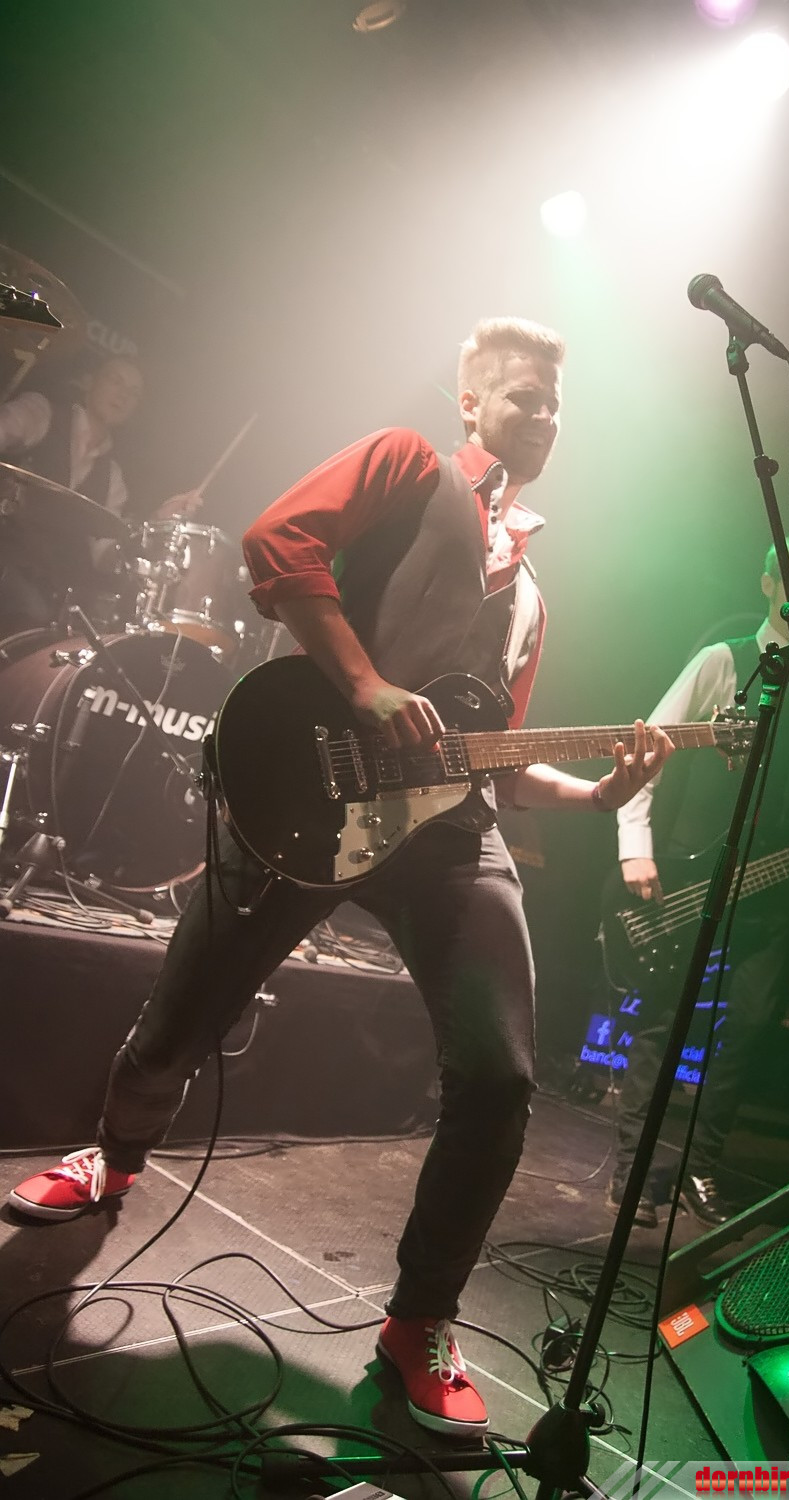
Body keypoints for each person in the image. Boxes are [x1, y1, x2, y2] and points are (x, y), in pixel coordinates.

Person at [8, 317, 671, 1436]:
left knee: (499, 1075)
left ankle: (419, 1320)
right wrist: (364, 682)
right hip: (308, 793)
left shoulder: (531, 595)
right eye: (524, 394)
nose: (544, 415)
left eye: (558, 404)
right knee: (181, 1017)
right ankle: (114, 1158)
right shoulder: (408, 463)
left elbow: (492, 758)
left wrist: (600, 796)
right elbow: (277, 541)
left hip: (447, 832)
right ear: (471, 402)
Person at [609, 533, 789, 1229]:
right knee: (663, 1020)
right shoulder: (722, 660)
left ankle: (701, 1167)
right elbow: (646, 748)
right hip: (691, 868)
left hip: (770, 884)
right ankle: (631, 1171)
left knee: (746, 1027)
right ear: (770, 584)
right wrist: (634, 845)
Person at [0, 354, 200, 632]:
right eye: (115, 380)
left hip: (50, 585)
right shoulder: (41, 412)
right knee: (32, 610)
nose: (123, 395)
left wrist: (155, 524)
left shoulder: (113, 476)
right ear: (88, 382)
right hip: (7, 556)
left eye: (134, 392)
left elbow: (104, 557)